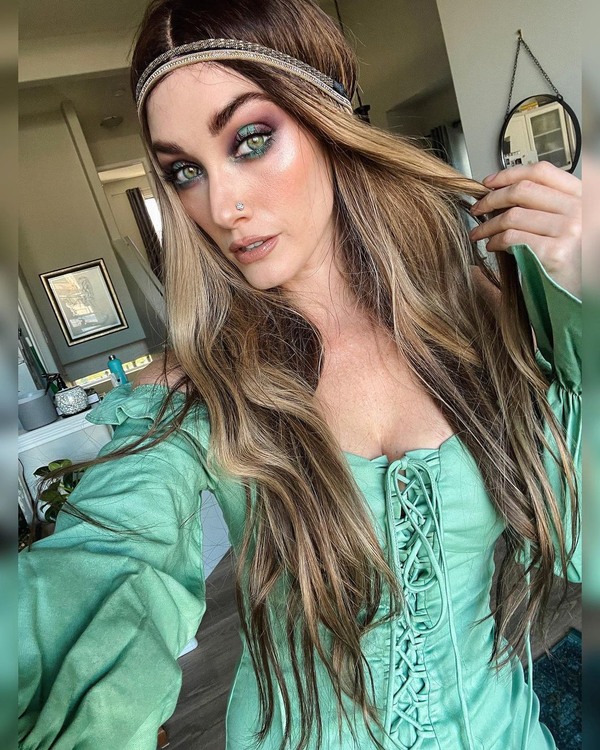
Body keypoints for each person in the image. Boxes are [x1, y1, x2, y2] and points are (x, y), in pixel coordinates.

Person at [18, 1, 582, 748]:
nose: (222, 206)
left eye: (250, 140)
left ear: (328, 120)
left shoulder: (480, 315)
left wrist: (588, 285)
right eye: (185, 171)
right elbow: (104, 568)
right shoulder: (194, 386)